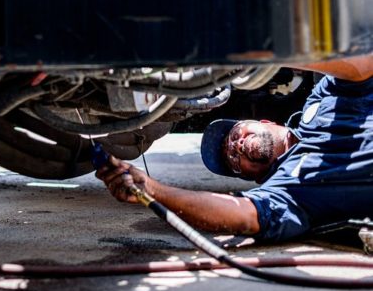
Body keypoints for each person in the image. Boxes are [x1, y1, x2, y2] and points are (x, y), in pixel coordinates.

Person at [96, 55, 373, 242]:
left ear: (263, 121)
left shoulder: (321, 100)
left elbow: (363, 66)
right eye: (234, 160)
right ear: (255, 178)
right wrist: (153, 190)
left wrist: (268, 50)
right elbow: (243, 215)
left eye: (235, 134)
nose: (236, 146)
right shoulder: (287, 190)